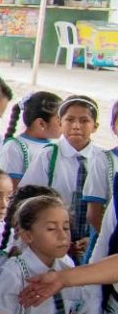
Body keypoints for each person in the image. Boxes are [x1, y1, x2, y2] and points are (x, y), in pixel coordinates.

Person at [19, 96, 112, 262]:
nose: (76, 126)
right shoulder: (48, 155)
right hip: (51, 241)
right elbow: (27, 199)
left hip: (94, 241)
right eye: (70, 120)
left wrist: (93, 238)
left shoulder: (104, 159)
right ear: (60, 122)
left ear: (95, 126)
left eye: (84, 121)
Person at [0, 91, 60, 182]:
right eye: (59, 119)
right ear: (41, 123)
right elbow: (12, 187)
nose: (64, 123)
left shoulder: (56, 147)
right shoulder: (14, 147)